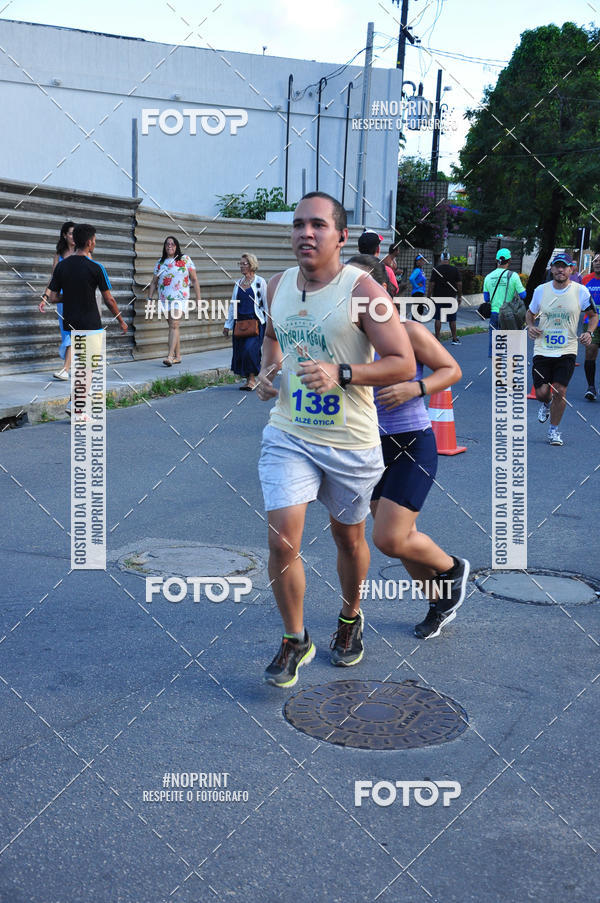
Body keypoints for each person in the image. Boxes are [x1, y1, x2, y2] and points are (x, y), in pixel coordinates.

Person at [256, 192, 416, 688]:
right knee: (283, 539)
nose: (306, 233)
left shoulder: (364, 289)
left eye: (318, 225)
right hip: (289, 433)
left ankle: (350, 616)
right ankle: (294, 638)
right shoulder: (277, 284)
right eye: (299, 225)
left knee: (348, 536)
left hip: (350, 440)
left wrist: (342, 371)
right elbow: (272, 336)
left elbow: (403, 363)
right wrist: (268, 372)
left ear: (341, 236)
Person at [349, 255, 469, 639]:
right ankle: (439, 602)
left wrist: (414, 387)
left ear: (387, 290)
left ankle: (452, 568)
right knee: (401, 539)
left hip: (412, 444)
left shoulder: (409, 332)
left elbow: (452, 370)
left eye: (365, 288)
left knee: (389, 538)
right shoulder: (348, 342)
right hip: (370, 447)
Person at [46, 224, 128, 414]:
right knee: (89, 366)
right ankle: (77, 406)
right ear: (90, 242)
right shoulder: (96, 267)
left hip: (70, 322)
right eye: (95, 240)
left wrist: (72, 295)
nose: (95, 243)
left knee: (81, 364)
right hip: (91, 322)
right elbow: (109, 299)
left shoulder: (62, 266)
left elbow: (52, 297)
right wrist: (121, 320)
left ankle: (74, 401)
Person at [526, 252, 598, 446]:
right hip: (542, 348)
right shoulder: (541, 290)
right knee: (542, 393)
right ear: (552, 269)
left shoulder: (581, 291)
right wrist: (531, 326)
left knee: (560, 390)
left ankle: (554, 430)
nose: (560, 269)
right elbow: (530, 314)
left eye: (564, 266)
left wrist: (589, 332)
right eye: (557, 266)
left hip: (567, 348)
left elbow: (593, 315)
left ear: (571, 269)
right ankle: (545, 403)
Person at [147, 236, 201, 366]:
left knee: (174, 324)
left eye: (172, 244)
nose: (169, 246)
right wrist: (149, 298)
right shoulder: (160, 262)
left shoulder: (185, 259)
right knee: (173, 326)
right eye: (167, 244)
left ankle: (170, 357)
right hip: (164, 299)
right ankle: (178, 356)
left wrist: (198, 298)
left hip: (180, 297)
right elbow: (154, 282)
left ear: (176, 246)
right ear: (164, 247)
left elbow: (194, 279)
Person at [223, 253, 268, 390]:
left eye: (244, 263)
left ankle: (253, 379)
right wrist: (227, 325)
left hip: (256, 323)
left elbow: (266, 303)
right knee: (242, 352)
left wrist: (270, 324)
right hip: (240, 324)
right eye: (240, 264)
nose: (242, 266)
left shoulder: (260, 282)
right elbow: (233, 305)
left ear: (251, 265)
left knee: (250, 350)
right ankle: (250, 379)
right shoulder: (238, 283)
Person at [39, 221, 76, 379]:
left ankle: (66, 369)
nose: (73, 236)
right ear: (64, 235)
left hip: (78, 298)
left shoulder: (83, 252)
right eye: (70, 233)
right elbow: (54, 279)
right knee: (66, 333)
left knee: (72, 333)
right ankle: (70, 365)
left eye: (75, 233)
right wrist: (45, 296)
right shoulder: (59, 255)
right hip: (61, 299)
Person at [483, 249, 527, 357]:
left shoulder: (488, 277)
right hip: (509, 314)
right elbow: (523, 295)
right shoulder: (513, 276)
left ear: (496, 260)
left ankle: (497, 366)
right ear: (509, 261)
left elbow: (486, 298)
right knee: (511, 345)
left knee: (496, 347)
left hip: (494, 314)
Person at [429, 251, 463, 345]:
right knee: (452, 319)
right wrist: (459, 296)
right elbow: (459, 284)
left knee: (438, 318)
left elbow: (432, 284)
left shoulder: (436, 270)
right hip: (451, 297)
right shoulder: (454, 269)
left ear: (441, 259)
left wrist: (428, 296)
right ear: (449, 259)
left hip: (438, 297)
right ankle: (455, 338)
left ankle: (437, 339)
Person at [357, 229, 399, 295]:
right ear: (378, 250)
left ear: (359, 249)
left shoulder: (349, 270)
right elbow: (395, 291)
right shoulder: (387, 271)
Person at [582, 254, 600, 400]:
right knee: (590, 352)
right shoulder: (586, 280)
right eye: (595, 260)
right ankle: (591, 387)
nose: (597, 263)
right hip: (591, 323)